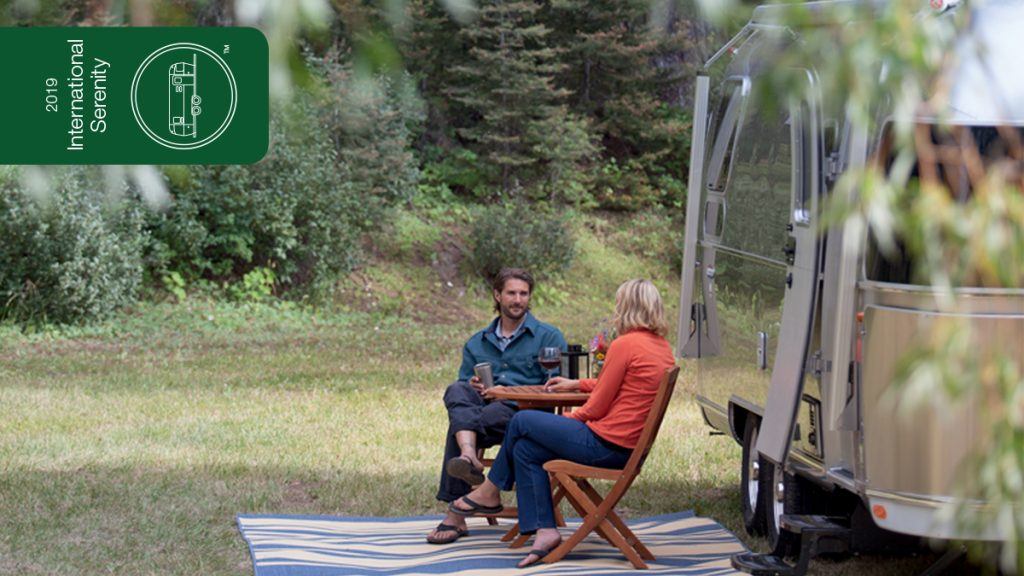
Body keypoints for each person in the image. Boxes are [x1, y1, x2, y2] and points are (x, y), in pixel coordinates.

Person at [448, 279, 675, 567]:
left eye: (618, 303)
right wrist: (577, 383)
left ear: (628, 307)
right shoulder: (660, 347)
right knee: (526, 449)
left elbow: (596, 407)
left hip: (606, 445)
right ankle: (545, 531)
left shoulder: (625, 344)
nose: (615, 309)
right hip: (626, 448)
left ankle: (490, 492)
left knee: (522, 420)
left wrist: (562, 421)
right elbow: (618, 384)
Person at [426, 268, 567, 545]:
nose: (518, 299)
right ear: (497, 295)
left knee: (461, 423)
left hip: (525, 414)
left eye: (523, 293)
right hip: (485, 413)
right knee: (456, 390)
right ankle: (469, 455)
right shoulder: (477, 342)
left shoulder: (548, 337)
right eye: (511, 293)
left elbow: (555, 387)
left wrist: (507, 393)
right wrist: (474, 385)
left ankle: (455, 516)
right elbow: (464, 389)